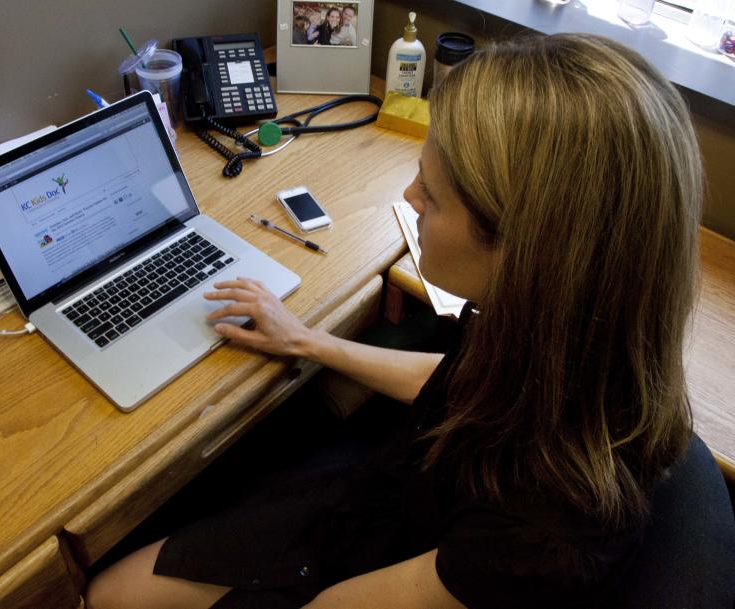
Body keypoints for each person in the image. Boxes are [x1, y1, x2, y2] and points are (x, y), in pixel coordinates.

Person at [87, 33, 733, 609]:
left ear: (525, 250)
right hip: (401, 492)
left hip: (393, 548)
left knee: (107, 592)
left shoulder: (542, 526)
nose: (409, 199)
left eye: (434, 191)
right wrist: (307, 339)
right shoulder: (569, 337)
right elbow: (461, 380)